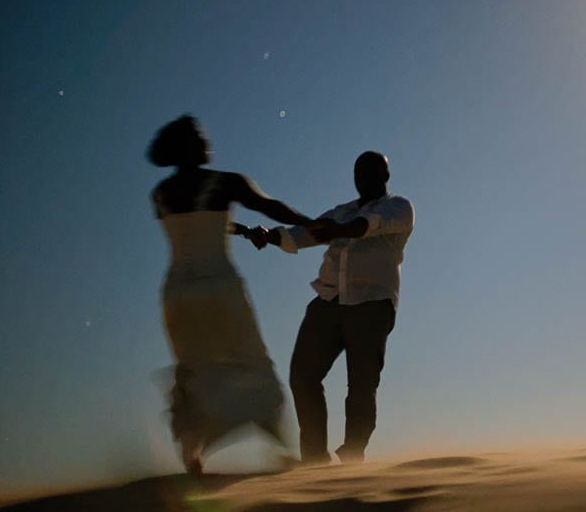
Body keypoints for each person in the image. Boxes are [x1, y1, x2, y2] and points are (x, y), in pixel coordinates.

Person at [148, 114, 310, 474]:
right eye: (201, 138)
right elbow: (271, 206)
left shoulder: (159, 195)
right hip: (220, 286)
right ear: (188, 147)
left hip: (176, 294)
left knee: (194, 371)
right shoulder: (227, 182)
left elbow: (197, 222)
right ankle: (282, 448)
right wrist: (313, 224)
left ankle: (193, 454)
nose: (208, 143)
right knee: (253, 363)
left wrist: (237, 229)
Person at [244, 151, 414, 463]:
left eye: (371, 171)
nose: (362, 177)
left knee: (362, 384)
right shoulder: (341, 211)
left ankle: (352, 455)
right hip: (328, 302)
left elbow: (369, 225)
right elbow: (306, 234)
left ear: (385, 176)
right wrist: (269, 236)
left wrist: (335, 230)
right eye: (358, 172)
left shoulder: (399, 207)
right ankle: (314, 459)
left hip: (372, 304)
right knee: (303, 376)